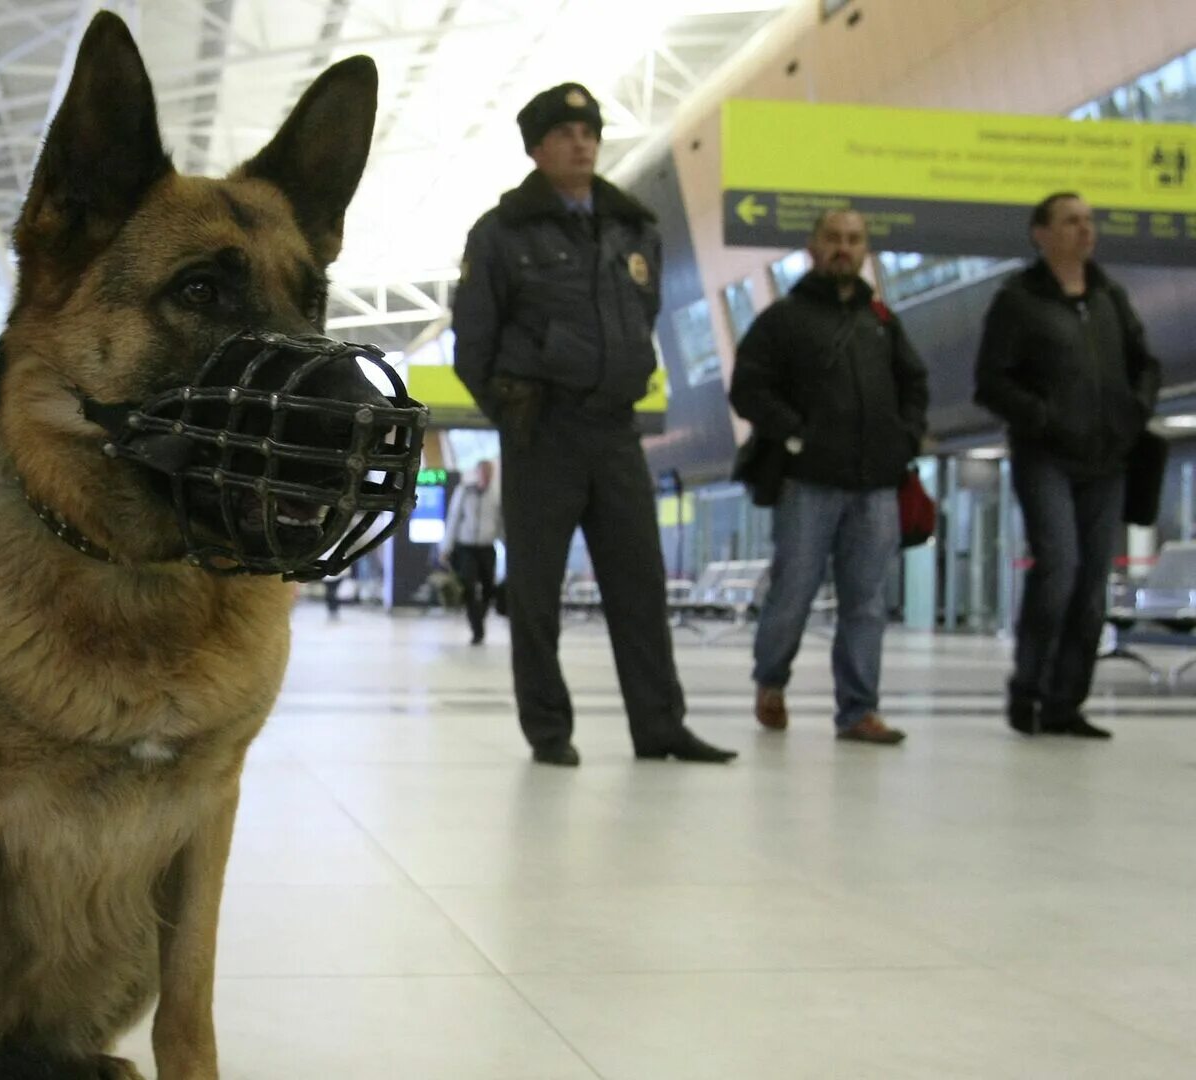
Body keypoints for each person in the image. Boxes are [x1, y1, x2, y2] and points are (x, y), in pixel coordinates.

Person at [452, 82, 735, 767]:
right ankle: (549, 731)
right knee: (537, 592)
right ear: (536, 147)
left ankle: (660, 725)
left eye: (591, 130)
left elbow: (642, 319)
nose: (583, 141)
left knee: (639, 585)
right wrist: (514, 416)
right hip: (542, 429)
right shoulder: (501, 233)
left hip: (615, 430)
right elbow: (472, 349)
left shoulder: (632, 226)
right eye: (566, 132)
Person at [730, 210, 927, 746]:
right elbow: (747, 389)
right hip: (808, 481)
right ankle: (771, 681)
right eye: (834, 239)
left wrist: (906, 437)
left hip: (876, 484)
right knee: (793, 589)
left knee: (866, 601)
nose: (844, 248)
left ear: (865, 250)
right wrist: (796, 435)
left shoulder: (882, 322)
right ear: (813, 247)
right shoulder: (783, 320)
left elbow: (914, 382)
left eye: (855, 240)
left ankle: (859, 710)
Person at [975, 192, 1160, 740]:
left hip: (1107, 459)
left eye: (1089, 221)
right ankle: (1027, 690)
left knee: (1092, 585)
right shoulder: (1018, 300)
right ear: (1041, 234)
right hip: (1046, 455)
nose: (1085, 230)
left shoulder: (1109, 297)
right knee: (1059, 568)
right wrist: (1042, 415)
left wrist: (1137, 407)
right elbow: (991, 381)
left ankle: (1065, 702)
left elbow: (1144, 362)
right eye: (1071, 221)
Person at [440, 460, 503, 644]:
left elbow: (500, 524)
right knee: (467, 585)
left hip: (486, 547)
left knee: (488, 588)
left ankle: (479, 617)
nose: (486, 476)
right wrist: (446, 548)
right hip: (465, 546)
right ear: (477, 473)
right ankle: (477, 629)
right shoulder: (464, 492)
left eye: (489, 472)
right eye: (483, 472)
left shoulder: (496, 494)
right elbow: (453, 519)